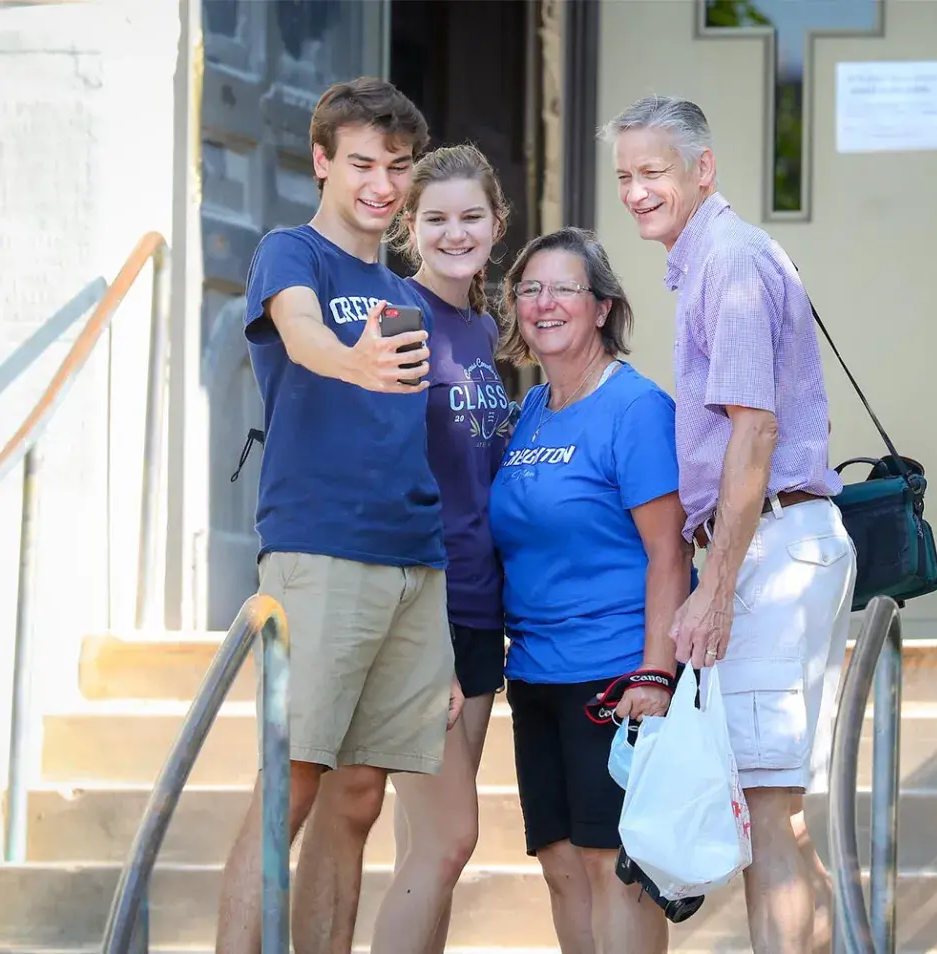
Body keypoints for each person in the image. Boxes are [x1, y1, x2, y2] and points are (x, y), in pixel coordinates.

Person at [601, 95, 858, 954]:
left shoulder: (730, 262)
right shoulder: (715, 258)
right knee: (782, 815)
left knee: (767, 812)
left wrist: (713, 590)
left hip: (771, 553)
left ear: (702, 169)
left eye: (654, 171)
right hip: (784, 545)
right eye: (625, 175)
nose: (636, 191)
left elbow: (755, 433)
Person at [217, 78, 460, 954]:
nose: (382, 184)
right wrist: (352, 362)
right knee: (289, 786)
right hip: (320, 552)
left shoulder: (404, 291)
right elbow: (302, 332)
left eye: (397, 166)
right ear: (322, 161)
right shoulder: (291, 253)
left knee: (359, 796)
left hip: (412, 563)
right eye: (362, 163)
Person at [489, 227, 692, 954]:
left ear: (602, 307)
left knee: (616, 870)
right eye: (530, 289)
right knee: (560, 864)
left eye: (564, 289)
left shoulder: (636, 409)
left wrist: (655, 672)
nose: (544, 303)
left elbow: (669, 551)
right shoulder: (531, 411)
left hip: (613, 675)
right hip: (534, 671)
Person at [366, 143, 515, 954]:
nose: (455, 233)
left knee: (429, 852)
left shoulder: (482, 327)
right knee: (450, 837)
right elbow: (386, 476)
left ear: (496, 224)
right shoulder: (397, 315)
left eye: (470, 217)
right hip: (425, 607)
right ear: (409, 227)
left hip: (479, 607)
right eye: (436, 219)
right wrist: (422, 635)